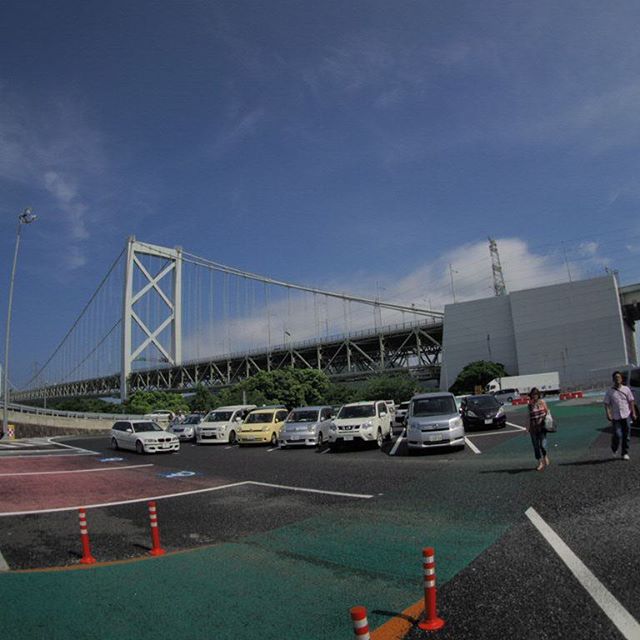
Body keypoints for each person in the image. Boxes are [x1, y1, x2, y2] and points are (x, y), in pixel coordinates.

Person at [604, 371, 636, 461]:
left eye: (619, 377)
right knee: (617, 434)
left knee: (627, 435)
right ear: (613, 379)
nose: (617, 379)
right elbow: (606, 403)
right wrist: (608, 413)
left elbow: (631, 401)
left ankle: (625, 453)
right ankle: (614, 447)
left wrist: (633, 413)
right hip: (616, 416)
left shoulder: (626, 389)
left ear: (621, 379)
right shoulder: (610, 391)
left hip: (626, 415)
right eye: (615, 377)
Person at [527, 387, 549, 471]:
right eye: (533, 394)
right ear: (531, 395)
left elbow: (547, 412)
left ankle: (545, 455)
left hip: (542, 427)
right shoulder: (530, 405)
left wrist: (542, 418)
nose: (535, 396)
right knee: (536, 446)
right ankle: (540, 462)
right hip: (533, 428)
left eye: (536, 394)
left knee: (542, 445)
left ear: (538, 395)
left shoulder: (542, 402)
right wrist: (527, 427)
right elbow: (528, 416)